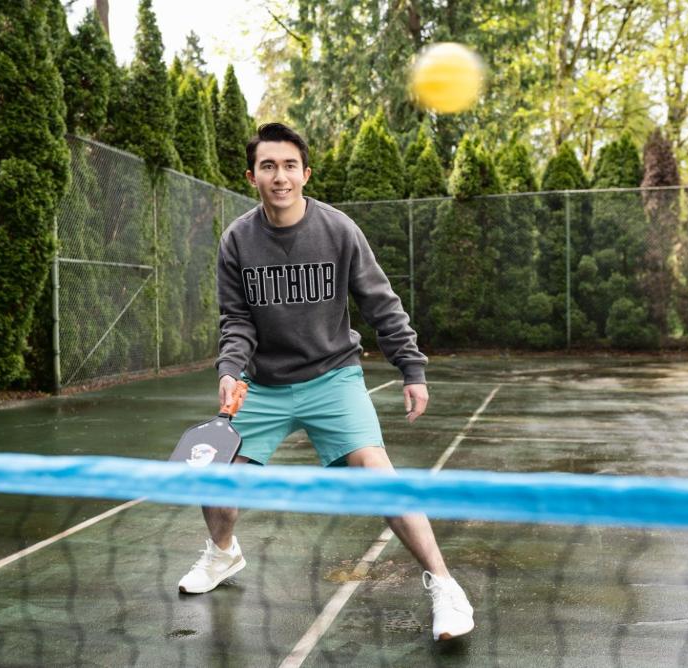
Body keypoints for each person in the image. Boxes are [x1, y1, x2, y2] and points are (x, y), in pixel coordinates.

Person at [177, 122, 474, 640]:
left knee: (379, 478)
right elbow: (237, 321)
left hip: (333, 377)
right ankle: (223, 554)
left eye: (290, 165)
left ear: (305, 173)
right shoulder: (237, 240)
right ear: (253, 176)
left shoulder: (339, 230)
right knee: (218, 478)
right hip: (264, 383)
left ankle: (445, 586)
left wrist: (412, 367)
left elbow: (381, 304)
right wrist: (229, 371)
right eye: (268, 166)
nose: (280, 176)